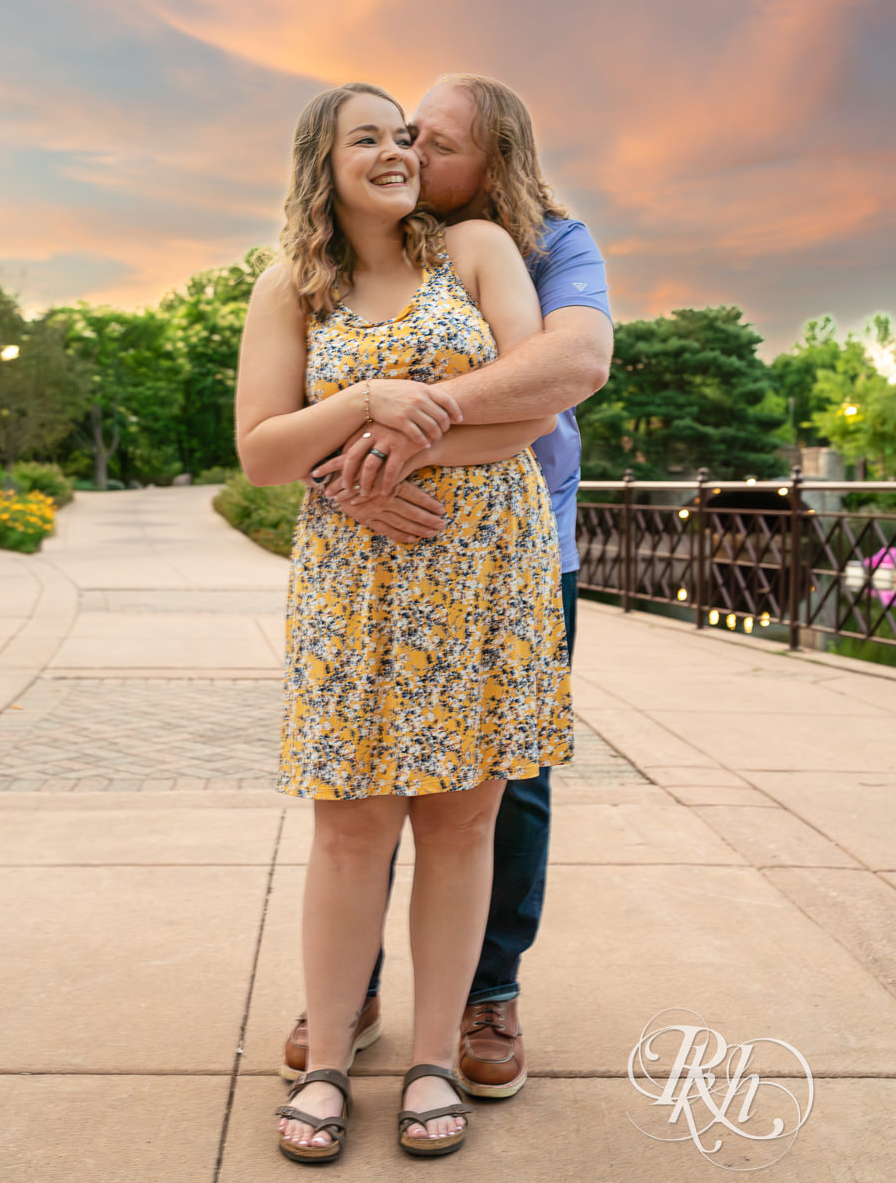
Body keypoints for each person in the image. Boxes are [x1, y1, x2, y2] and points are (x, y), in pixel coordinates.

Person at [236, 82, 573, 1162]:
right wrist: (363, 406)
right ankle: (329, 1059)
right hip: (353, 582)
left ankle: (434, 1056)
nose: (394, 152)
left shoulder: (474, 249)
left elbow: (530, 406)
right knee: (350, 824)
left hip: (485, 569)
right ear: (320, 164)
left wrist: (400, 445)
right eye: (366, 138)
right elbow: (261, 451)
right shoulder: (287, 284)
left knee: (462, 822)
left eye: (404, 137)